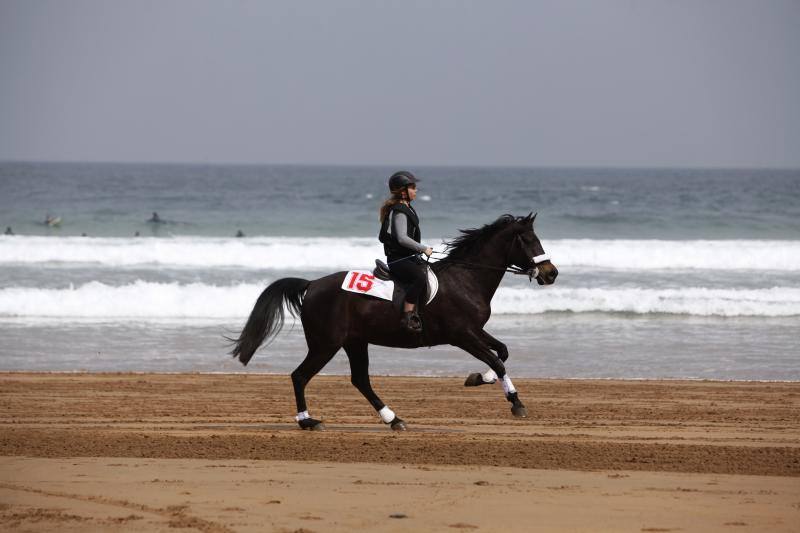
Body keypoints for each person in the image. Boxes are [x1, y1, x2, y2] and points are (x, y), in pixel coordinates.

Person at [378, 170, 433, 332]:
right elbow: (402, 238)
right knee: (419, 278)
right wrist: (423, 248)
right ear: (403, 191)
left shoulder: (407, 207)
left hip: (408, 257)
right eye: (413, 187)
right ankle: (408, 316)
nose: (416, 190)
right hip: (398, 261)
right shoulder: (399, 210)